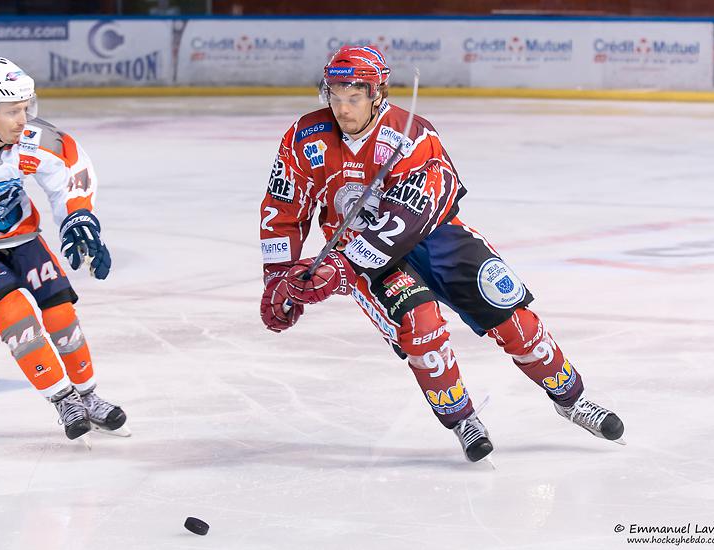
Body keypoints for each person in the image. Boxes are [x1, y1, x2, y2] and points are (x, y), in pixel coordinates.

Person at [259, 45, 624, 462]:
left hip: (432, 238)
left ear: (378, 93)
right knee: (420, 324)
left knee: (513, 318)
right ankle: (462, 417)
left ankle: (571, 399)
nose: (342, 109)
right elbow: (282, 207)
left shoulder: (414, 135)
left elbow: (414, 215)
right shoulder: (305, 138)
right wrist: (279, 278)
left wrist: (343, 266)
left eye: (353, 98)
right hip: (362, 254)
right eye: (335, 97)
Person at [0, 57, 127, 441]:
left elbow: (67, 163)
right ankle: (63, 399)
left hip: (18, 235)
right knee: (12, 309)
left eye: (26, 108)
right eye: (12, 111)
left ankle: (90, 395)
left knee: (59, 308)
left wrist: (78, 217)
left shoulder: (27, 141)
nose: (23, 119)